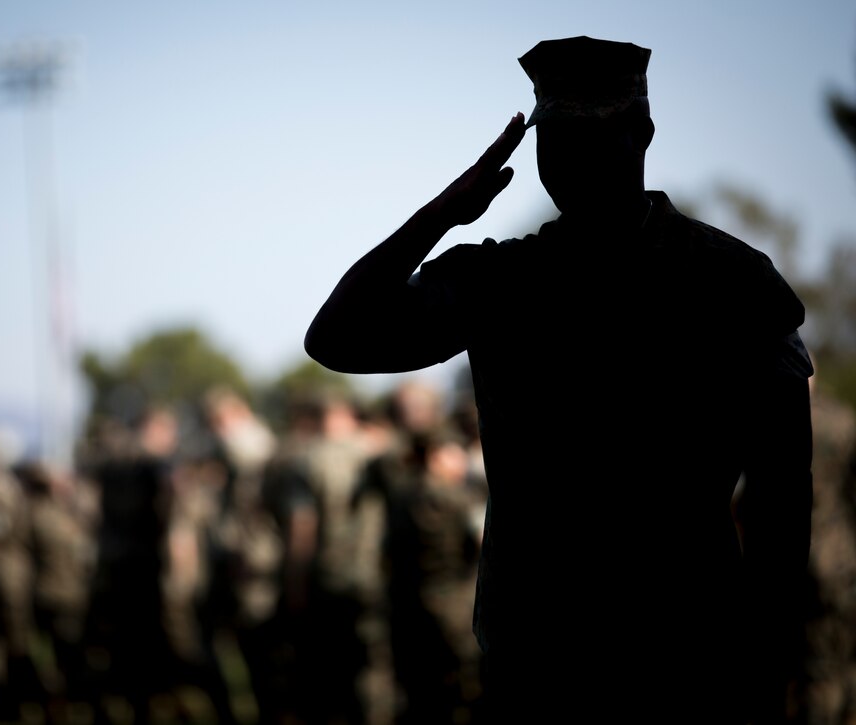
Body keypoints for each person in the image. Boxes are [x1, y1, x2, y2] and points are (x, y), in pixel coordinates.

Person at [305, 36, 813, 723]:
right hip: (538, 666)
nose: (577, 155)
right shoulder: (501, 282)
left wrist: (763, 668)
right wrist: (442, 215)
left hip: (686, 663)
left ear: (642, 135)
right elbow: (337, 336)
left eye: (596, 133)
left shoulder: (729, 280)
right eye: (560, 136)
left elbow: (784, 500)